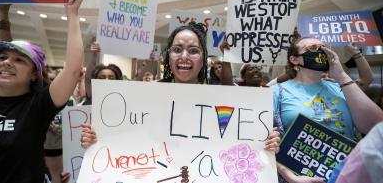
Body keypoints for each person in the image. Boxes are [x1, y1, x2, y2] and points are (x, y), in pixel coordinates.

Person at [81, 22, 280, 153]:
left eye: (193, 51)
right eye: (177, 50)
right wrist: (96, 140)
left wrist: (265, 143)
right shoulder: (144, 96)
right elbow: (120, 139)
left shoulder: (224, 99)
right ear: (168, 57)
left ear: (203, 60)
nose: (184, 56)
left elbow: (242, 142)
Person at [0, 0, 84, 183]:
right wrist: (1, 12)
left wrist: (72, 14)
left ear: (33, 75)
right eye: (1, 57)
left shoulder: (37, 105)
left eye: (20, 60)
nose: (7, 63)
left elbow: (73, 69)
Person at [273, 37, 383, 182]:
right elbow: (263, 142)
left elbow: (376, 126)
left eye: (323, 47)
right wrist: (287, 174)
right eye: (312, 48)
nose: (321, 51)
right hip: (299, 175)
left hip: (346, 174)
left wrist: (341, 75)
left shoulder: (341, 87)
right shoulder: (277, 91)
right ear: (294, 59)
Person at [83, 41, 123, 105]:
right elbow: (88, 79)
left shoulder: (122, 99)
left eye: (111, 78)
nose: (106, 80)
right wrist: (94, 56)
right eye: (102, 78)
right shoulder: (93, 94)